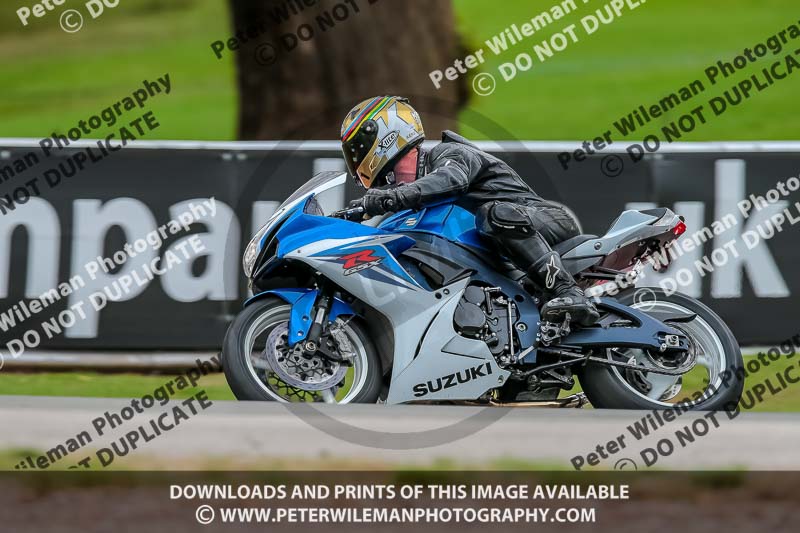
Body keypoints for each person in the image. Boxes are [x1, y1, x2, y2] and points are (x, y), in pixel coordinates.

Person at [340, 96, 599, 326]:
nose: (355, 159)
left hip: (543, 219)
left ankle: (568, 292)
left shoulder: (449, 153)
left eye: (358, 148)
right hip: (501, 252)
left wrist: (387, 198)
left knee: (493, 213)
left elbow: (451, 180)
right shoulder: (406, 204)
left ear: (384, 137)